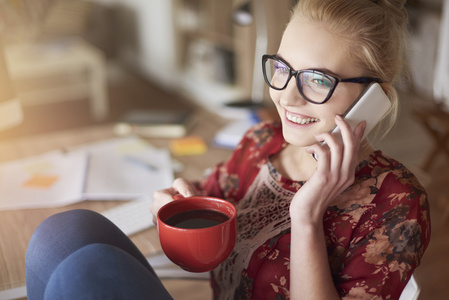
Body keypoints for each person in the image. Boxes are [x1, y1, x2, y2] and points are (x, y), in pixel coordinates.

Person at [25, 0, 430, 299]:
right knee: (61, 232)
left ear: (375, 98)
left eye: (318, 81)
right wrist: (175, 203)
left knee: (85, 272)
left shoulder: (396, 203)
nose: (286, 96)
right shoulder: (260, 144)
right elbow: (207, 203)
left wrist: (306, 218)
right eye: (283, 69)